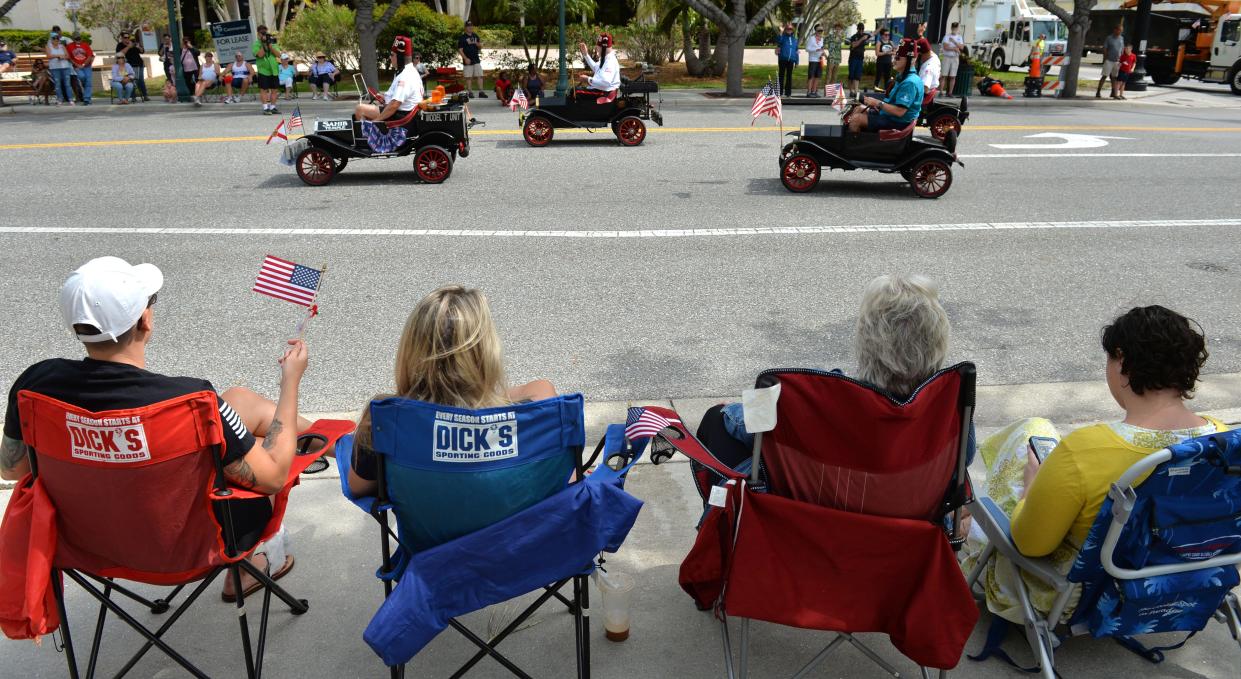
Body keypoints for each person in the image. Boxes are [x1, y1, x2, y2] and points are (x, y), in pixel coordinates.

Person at [0, 257, 318, 602]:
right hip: (193, 546)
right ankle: (250, 564)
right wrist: (290, 383)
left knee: (239, 400)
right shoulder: (191, 400)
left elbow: (12, 468)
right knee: (255, 443)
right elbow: (272, 476)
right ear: (144, 320)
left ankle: (338, 441)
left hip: (85, 544)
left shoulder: (35, 387)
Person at [961, 305, 1227, 625]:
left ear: (1122, 362)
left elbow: (1029, 545)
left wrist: (1031, 489)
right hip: (1178, 586)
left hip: (1077, 599)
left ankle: (963, 521)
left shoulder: (1086, 450)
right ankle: (964, 517)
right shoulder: (1224, 445)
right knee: (1036, 430)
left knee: (1030, 442)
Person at [694, 274, 964, 478]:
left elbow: (743, 423)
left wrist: (731, 410)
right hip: (908, 531)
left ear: (866, 342)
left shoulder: (821, 395)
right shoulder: (950, 408)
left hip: (818, 523)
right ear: (939, 343)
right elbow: (963, 461)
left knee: (716, 420)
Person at [346, 285, 556, 498]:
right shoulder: (538, 413)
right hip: (522, 531)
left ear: (411, 350)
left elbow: (358, 487)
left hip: (430, 531)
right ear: (486, 351)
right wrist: (482, 397)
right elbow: (540, 388)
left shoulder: (386, 419)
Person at [847, 41, 922, 133]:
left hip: (898, 122)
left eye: (897, 58)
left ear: (911, 60)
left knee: (856, 119)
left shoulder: (909, 82)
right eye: (894, 56)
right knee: (858, 109)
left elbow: (899, 111)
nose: (893, 60)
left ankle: (857, 145)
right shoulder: (904, 77)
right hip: (891, 117)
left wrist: (877, 103)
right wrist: (876, 104)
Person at [353, 45, 423, 122]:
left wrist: (376, 121)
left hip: (401, 115)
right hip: (403, 111)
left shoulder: (405, 76)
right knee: (366, 108)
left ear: (400, 57)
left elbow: (395, 104)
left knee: (360, 109)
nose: (390, 57)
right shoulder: (408, 70)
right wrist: (385, 98)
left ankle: (367, 133)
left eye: (392, 55)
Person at [253, 24, 280, 115]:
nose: (264, 35)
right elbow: (260, 55)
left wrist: (269, 45)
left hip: (274, 70)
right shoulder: (256, 44)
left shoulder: (272, 42)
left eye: (265, 32)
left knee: (274, 89)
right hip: (263, 70)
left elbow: (278, 55)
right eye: (262, 33)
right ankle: (265, 108)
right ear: (258, 34)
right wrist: (264, 45)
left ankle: (272, 107)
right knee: (263, 90)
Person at [115, 31, 146, 102]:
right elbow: (119, 54)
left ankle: (145, 95)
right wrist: (128, 47)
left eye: (128, 37)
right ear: (122, 38)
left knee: (140, 81)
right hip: (129, 66)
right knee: (131, 81)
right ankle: (133, 97)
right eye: (125, 37)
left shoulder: (133, 43)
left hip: (139, 64)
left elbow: (142, 51)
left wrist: (139, 47)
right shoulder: (120, 45)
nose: (127, 39)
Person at [45, 31, 74, 106]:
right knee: (58, 84)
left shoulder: (62, 46)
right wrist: (58, 56)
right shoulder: (48, 46)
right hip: (55, 68)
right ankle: (59, 99)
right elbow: (49, 56)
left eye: (57, 38)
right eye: (54, 38)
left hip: (65, 67)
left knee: (67, 84)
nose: (56, 40)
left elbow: (67, 56)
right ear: (51, 39)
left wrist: (62, 57)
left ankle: (70, 99)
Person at [458, 21, 485, 98]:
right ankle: (470, 92)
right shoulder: (462, 38)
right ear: (465, 28)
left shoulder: (475, 36)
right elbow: (460, 50)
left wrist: (479, 45)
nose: (470, 27)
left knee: (480, 75)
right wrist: (465, 58)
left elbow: (480, 47)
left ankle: (481, 92)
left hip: (476, 59)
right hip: (468, 60)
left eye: (471, 26)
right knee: (468, 77)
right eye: (468, 26)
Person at [1097, 25, 1125, 99]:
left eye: (1121, 30)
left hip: (1117, 61)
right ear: (1115, 30)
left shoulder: (1121, 38)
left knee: (1114, 77)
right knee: (1104, 76)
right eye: (1119, 30)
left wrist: (1121, 58)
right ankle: (1098, 92)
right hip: (1109, 60)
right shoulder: (1109, 38)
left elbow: (1122, 49)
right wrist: (1106, 57)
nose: (1120, 32)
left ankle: (1113, 93)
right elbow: (1105, 48)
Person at [66, 32, 94, 106]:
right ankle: (87, 94)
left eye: (79, 38)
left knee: (88, 81)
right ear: (73, 39)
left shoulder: (85, 45)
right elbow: (69, 58)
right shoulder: (69, 46)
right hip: (77, 66)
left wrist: (84, 64)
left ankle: (87, 99)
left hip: (87, 66)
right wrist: (76, 64)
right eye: (76, 38)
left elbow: (89, 56)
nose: (78, 39)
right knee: (82, 77)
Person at [846, 22, 871, 99]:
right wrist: (861, 39)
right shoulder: (854, 37)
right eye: (860, 29)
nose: (861, 30)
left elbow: (873, 34)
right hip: (853, 58)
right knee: (851, 75)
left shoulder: (865, 35)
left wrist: (880, 27)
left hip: (860, 58)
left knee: (857, 75)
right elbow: (853, 45)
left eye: (862, 29)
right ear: (857, 29)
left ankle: (856, 91)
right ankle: (851, 91)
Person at [775, 23, 798, 98]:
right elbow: (779, 41)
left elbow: (796, 51)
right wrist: (781, 33)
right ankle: (779, 93)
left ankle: (788, 93)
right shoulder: (783, 37)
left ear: (792, 30)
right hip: (782, 59)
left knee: (789, 76)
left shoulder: (794, 40)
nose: (789, 30)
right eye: (788, 29)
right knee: (781, 76)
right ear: (785, 30)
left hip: (791, 60)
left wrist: (797, 61)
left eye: (791, 29)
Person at [941, 22, 964, 94]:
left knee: (953, 76)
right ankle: (941, 91)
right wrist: (955, 48)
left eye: (956, 28)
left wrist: (954, 42)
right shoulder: (947, 37)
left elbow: (961, 47)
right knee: (944, 75)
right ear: (951, 28)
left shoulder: (959, 37)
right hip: (947, 57)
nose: (954, 29)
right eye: (953, 28)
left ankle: (950, 92)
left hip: (955, 58)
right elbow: (946, 47)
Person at [804, 25, 824, 97]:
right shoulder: (811, 39)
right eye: (819, 31)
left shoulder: (822, 39)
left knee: (817, 76)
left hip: (820, 60)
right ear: (815, 31)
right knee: (811, 76)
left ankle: (814, 91)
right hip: (813, 60)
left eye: (821, 31)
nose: (820, 32)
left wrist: (823, 53)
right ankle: (809, 92)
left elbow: (821, 48)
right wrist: (815, 50)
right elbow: (807, 49)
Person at [824, 23, 844, 87]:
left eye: (839, 29)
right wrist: (825, 55)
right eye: (836, 29)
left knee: (834, 77)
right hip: (831, 58)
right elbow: (822, 44)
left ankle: (831, 93)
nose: (838, 30)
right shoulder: (830, 37)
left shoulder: (841, 38)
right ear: (834, 29)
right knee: (828, 76)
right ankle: (826, 92)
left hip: (837, 59)